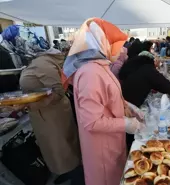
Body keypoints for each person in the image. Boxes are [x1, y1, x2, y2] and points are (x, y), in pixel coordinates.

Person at [63, 18, 143, 185]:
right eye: (114, 43)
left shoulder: (101, 66)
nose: (120, 49)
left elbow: (109, 96)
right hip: (102, 148)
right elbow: (91, 122)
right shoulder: (90, 73)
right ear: (100, 42)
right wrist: (126, 124)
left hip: (113, 141)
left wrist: (129, 106)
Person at [19, 48, 84, 185]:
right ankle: (68, 172)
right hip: (44, 114)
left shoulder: (43, 64)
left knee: (63, 147)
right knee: (56, 148)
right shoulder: (40, 63)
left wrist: (31, 105)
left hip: (53, 115)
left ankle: (76, 176)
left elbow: (58, 92)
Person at [119, 50, 170, 150]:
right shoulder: (148, 69)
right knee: (133, 138)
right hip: (130, 108)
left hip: (124, 104)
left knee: (127, 136)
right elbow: (169, 88)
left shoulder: (135, 67)